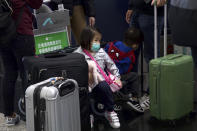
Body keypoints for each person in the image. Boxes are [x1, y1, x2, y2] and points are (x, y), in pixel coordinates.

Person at [0, 0, 42, 126]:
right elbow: (37, 4)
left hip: (4, 33)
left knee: (9, 73)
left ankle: (9, 115)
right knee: (27, 74)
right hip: (22, 32)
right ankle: (32, 117)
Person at [74, 26, 121, 128]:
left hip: (101, 82)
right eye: (96, 40)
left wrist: (117, 77)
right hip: (86, 84)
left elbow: (111, 65)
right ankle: (88, 116)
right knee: (84, 94)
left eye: (99, 40)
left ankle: (110, 111)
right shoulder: (77, 55)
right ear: (86, 40)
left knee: (104, 86)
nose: (98, 43)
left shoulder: (101, 51)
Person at [105, 27, 149, 112]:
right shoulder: (130, 55)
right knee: (134, 76)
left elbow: (105, 50)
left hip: (106, 74)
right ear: (135, 45)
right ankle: (134, 98)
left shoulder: (114, 44)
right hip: (117, 77)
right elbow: (126, 70)